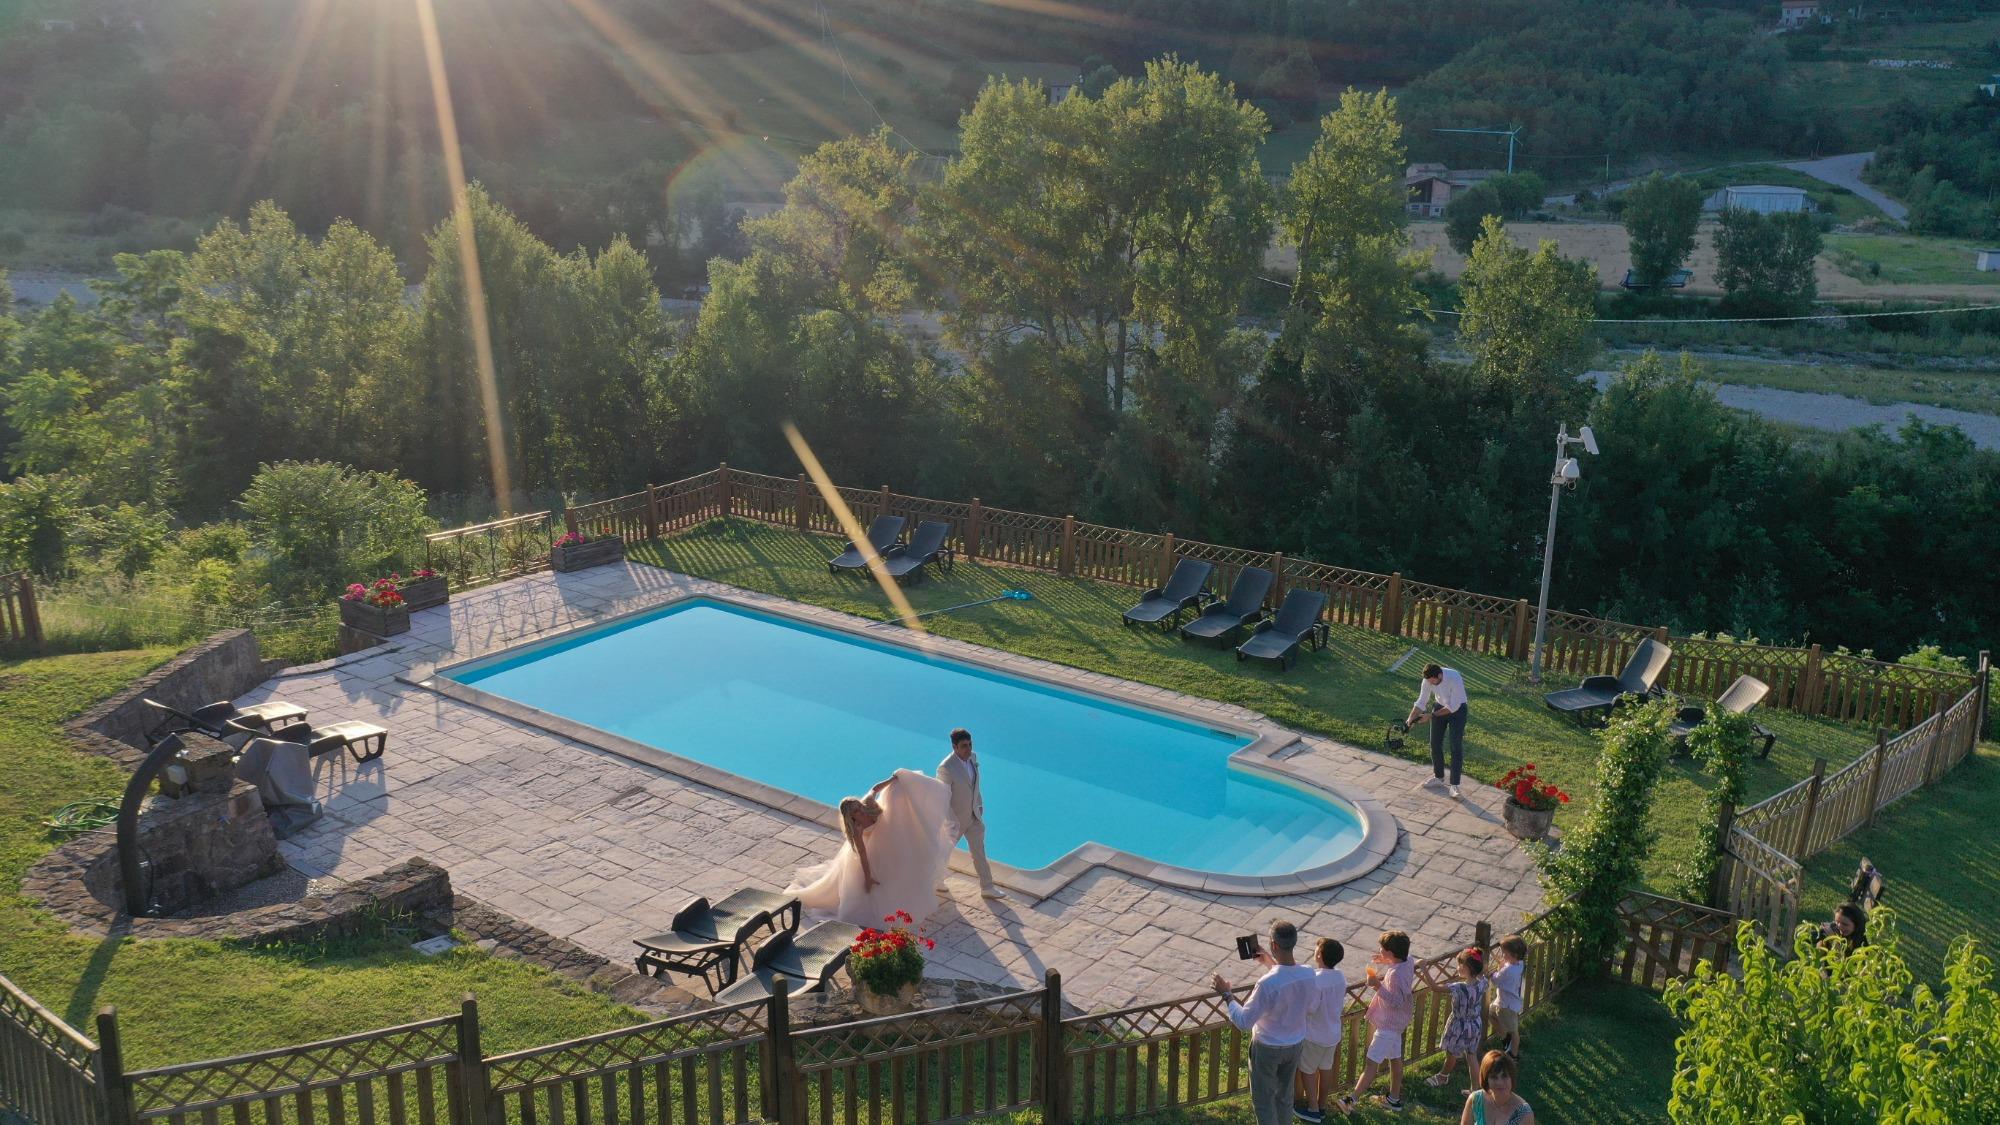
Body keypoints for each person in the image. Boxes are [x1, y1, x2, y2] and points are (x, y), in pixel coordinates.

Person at [788, 769, 955, 927]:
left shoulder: (868, 803)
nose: (861, 811)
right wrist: (868, 877)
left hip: (888, 837)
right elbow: (862, 854)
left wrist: (893, 779)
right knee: (878, 883)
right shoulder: (857, 830)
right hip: (874, 851)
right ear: (852, 817)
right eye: (857, 812)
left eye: (859, 807)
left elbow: (875, 789)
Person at [1213, 921, 1316, 1125]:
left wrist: (1227, 994)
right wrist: (1270, 963)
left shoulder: (1267, 983)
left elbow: (1244, 1021)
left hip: (1268, 1048)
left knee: (1264, 1101)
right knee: (1284, 1097)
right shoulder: (1309, 973)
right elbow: (1289, 982)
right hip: (1295, 1044)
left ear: (1273, 944)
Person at [1338, 931, 1414, 1114]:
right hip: (1397, 1024)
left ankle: (1351, 1100)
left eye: (1382, 949)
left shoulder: (1395, 975)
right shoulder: (1408, 961)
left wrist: (1377, 985)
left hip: (1387, 1027)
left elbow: (1396, 1001)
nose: (1379, 950)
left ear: (1391, 953)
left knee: (1371, 1064)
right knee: (1395, 1060)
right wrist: (1386, 960)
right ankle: (1393, 1099)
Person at [936, 728, 1006, 900]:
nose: (968, 749)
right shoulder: (946, 768)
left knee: (979, 852)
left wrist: (979, 804)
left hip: (974, 816)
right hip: (956, 820)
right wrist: (952, 821)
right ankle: (936, 880)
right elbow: (942, 798)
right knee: (944, 852)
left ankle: (987, 887)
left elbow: (975, 785)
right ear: (954, 747)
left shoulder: (973, 758)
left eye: (970, 744)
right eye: (964, 746)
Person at [1293, 938, 1346, 1123]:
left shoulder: (1316, 980)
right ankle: (1322, 1106)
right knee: (1325, 1069)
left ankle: (1313, 1109)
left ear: (1319, 955)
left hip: (1314, 1035)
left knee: (1307, 1070)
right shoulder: (1340, 976)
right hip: (1333, 1033)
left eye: (1317, 949)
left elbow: (1311, 1008)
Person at [1428, 948, 1488, 1092]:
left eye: (1461, 964)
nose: (1458, 967)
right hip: (1475, 1024)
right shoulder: (1482, 982)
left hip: (1460, 1026)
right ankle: (1475, 1089)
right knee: (1472, 1055)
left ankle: (1443, 1076)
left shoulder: (1460, 987)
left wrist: (1423, 967)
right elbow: (1482, 975)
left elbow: (1435, 988)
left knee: (1451, 1053)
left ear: (1469, 968)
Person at [1409, 663, 1470, 797]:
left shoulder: (1454, 677)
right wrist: (1410, 718)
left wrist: (1431, 716)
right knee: (1435, 743)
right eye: (1429, 682)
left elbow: (1453, 707)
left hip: (1458, 710)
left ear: (1440, 675)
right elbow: (1422, 700)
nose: (1431, 684)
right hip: (1439, 706)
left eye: (1433, 682)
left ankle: (1454, 786)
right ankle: (1439, 777)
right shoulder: (1428, 680)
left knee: (1455, 746)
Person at [1458, 1050, 1534, 1125]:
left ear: (1512, 1078)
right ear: (1486, 1079)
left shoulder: (1524, 1114)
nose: (1499, 1083)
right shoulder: (1476, 1100)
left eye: (1504, 1076)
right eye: (1494, 1077)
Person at [1489, 935, 1527, 1059]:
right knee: (1491, 1014)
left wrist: (1492, 973)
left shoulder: (1509, 971)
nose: (1502, 956)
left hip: (1507, 1006)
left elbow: (1496, 980)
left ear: (1514, 955)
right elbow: (1507, 965)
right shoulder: (1519, 964)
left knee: (1514, 1031)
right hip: (1505, 1001)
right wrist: (1503, 964)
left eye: (1504, 954)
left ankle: (1513, 1054)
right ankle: (1506, 1038)